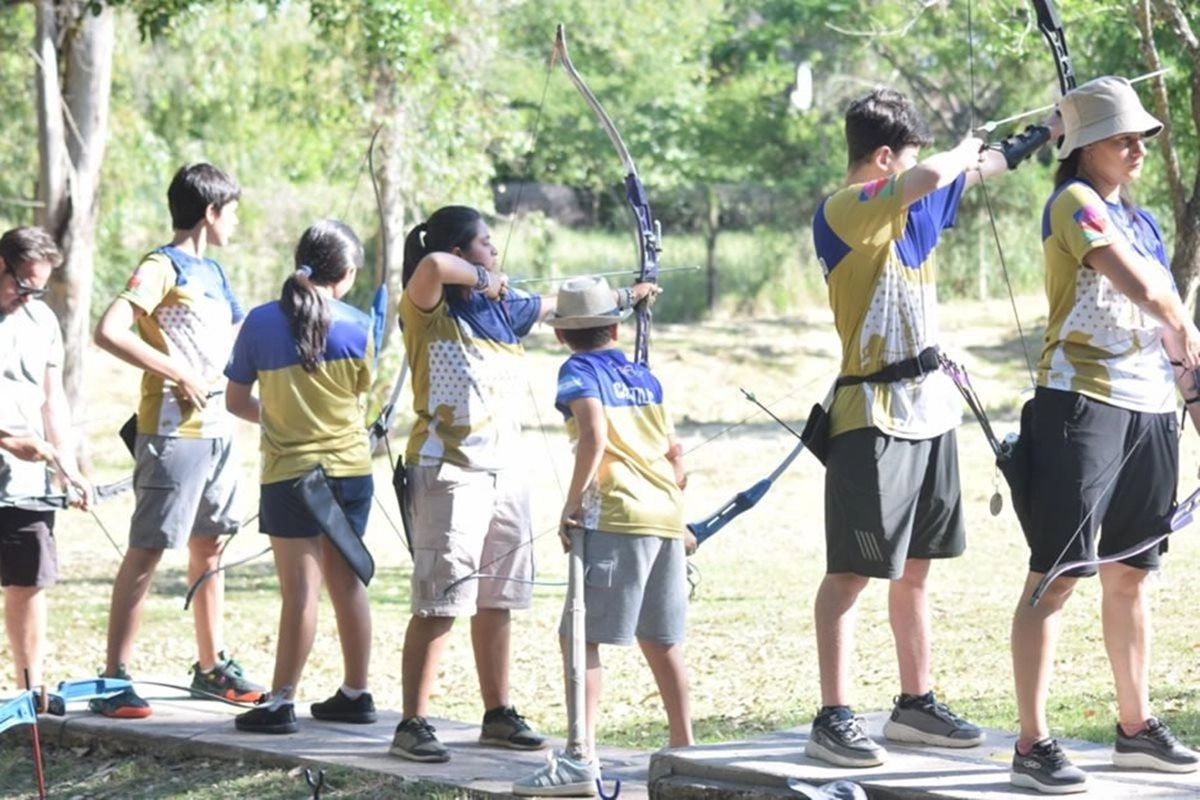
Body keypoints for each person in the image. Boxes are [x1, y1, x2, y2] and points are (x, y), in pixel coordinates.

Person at [806, 87, 1062, 768]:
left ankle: (914, 704)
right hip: (871, 416)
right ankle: (833, 715)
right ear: (882, 159)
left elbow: (983, 167)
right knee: (851, 573)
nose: (921, 168)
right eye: (908, 157)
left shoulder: (912, 205)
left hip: (931, 410)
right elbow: (936, 172)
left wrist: (1047, 129)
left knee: (916, 568)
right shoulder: (844, 210)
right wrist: (959, 149)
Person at [391, 204, 655, 762]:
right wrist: (483, 279)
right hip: (449, 470)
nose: (494, 251)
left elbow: (565, 306)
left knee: (497, 598)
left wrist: (628, 296)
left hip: (506, 471)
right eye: (485, 243)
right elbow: (433, 265)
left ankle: (497, 713)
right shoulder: (428, 308)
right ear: (462, 253)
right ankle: (412, 723)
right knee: (441, 600)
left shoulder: (504, 310)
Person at [1009, 76, 1200, 794]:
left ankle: (1135, 727)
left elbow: (1173, 338)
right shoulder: (1075, 203)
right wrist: (1184, 323)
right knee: (1057, 577)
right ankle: (1032, 742)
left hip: (1149, 409)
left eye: (1142, 137)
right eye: (1123, 138)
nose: (1138, 148)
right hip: (1081, 404)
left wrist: (1194, 402)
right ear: (1086, 145)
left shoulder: (1141, 220)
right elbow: (1150, 295)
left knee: (1132, 574)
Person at [89, 163, 264, 718]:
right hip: (171, 432)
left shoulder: (214, 271)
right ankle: (114, 678)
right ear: (210, 212)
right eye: (232, 211)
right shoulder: (159, 266)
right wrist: (175, 370)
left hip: (219, 431)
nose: (236, 221)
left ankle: (211, 668)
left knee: (210, 546)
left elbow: (236, 337)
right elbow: (108, 330)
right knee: (148, 549)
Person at [512, 276, 691, 796]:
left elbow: (593, 435)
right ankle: (685, 749)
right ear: (614, 329)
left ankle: (579, 755)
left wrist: (572, 503)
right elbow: (675, 455)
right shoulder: (644, 375)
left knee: (579, 636)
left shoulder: (578, 370)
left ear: (561, 334)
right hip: (664, 515)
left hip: (616, 515)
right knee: (662, 639)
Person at [224, 219, 375, 734]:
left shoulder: (259, 323)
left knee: (301, 593)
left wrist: (278, 418)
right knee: (347, 584)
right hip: (350, 471)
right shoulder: (360, 326)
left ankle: (281, 702)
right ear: (346, 272)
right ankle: (357, 693)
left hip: (289, 476)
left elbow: (236, 401)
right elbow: (358, 394)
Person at [0, 226, 91, 708]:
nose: (29, 297)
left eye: (38, 288)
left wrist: (66, 465)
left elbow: (53, 399)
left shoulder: (42, 321)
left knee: (29, 580)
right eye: (23, 285)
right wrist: (7, 441)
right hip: (11, 453)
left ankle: (30, 691)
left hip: (25, 483)